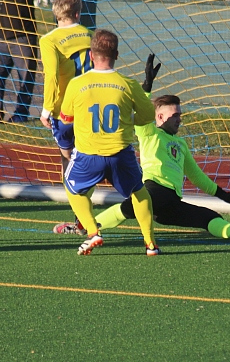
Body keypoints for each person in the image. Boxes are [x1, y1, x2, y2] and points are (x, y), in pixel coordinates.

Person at [57, 94, 230, 242]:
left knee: (209, 217)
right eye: (175, 115)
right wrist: (147, 87)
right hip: (153, 191)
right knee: (125, 210)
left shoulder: (181, 144)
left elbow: (196, 176)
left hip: (170, 201)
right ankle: (82, 226)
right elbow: (140, 111)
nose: (179, 119)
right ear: (159, 117)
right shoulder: (150, 133)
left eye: (179, 115)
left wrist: (224, 195)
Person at [55, 29, 160, 256]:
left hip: (88, 155)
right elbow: (147, 117)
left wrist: (66, 143)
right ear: (117, 55)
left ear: (91, 55)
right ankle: (151, 244)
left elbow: (65, 122)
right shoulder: (128, 84)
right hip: (121, 154)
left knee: (72, 188)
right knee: (139, 192)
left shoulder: (77, 84)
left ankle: (93, 232)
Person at [39, 0, 93, 171]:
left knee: (68, 157)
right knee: (88, 154)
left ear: (56, 14)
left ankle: (70, 185)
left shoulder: (49, 40)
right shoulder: (91, 35)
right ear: (77, 14)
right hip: (90, 105)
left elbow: (52, 76)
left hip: (64, 109)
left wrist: (46, 110)